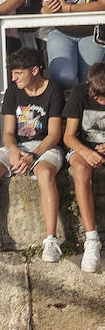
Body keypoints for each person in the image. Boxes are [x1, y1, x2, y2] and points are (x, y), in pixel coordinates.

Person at [0, 47, 65, 261]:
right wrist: (13, 150)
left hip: (45, 146)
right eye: (12, 73)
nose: (13, 78)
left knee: (45, 173)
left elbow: (54, 135)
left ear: (34, 71)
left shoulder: (53, 90)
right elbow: (7, 133)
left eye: (18, 73)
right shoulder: (13, 92)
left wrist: (32, 156)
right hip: (18, 146)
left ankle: (51, 239)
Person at [63, 63, 105, 272]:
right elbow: (68, 136)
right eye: (99, 99)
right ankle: (92, 240)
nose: (103, 102)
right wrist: (88, 152)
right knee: (81, 170)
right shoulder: (79, 93)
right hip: (82, 148)